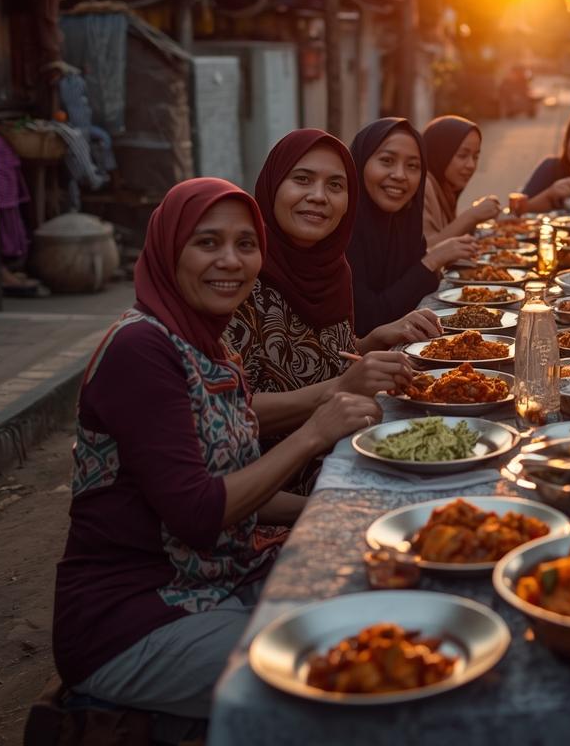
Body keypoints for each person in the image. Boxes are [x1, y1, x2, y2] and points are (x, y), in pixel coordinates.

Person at [54, 178, 381, 720]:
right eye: (207, 243)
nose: (229, 261)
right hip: (133, 619)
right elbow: (200, 509)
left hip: (216, 579)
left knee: (373, 599)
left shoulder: (207, 343)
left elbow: (234, 483)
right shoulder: (140, 349)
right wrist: (313, 434)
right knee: (337, 682)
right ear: (167, 249)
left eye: (245, 245)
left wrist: (339, 513)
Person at [226, 129, 442, 449]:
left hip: (348, 440)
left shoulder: (333, 267)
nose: (318, 196)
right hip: (276, 474)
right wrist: (340, 386)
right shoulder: (238, 275)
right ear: (272, 185)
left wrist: (373, 340)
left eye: (335, 185)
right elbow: (225, 410)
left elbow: (322, 354)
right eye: (302, 179)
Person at [346, 118, 475, 335]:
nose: (400, 175)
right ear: (360, 163)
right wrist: (431, 260)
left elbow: (414, 295)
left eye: (413, 166)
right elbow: (367, 318)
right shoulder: (342, 230)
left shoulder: (404, 223)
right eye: (387, 161)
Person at [421, 115, 502, 243]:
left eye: (475, 157)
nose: (471, 165)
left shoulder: (445, 188)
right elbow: (429, 250)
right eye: (462, 155)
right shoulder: (422, 186)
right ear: (440, 153)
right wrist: (472, 215)